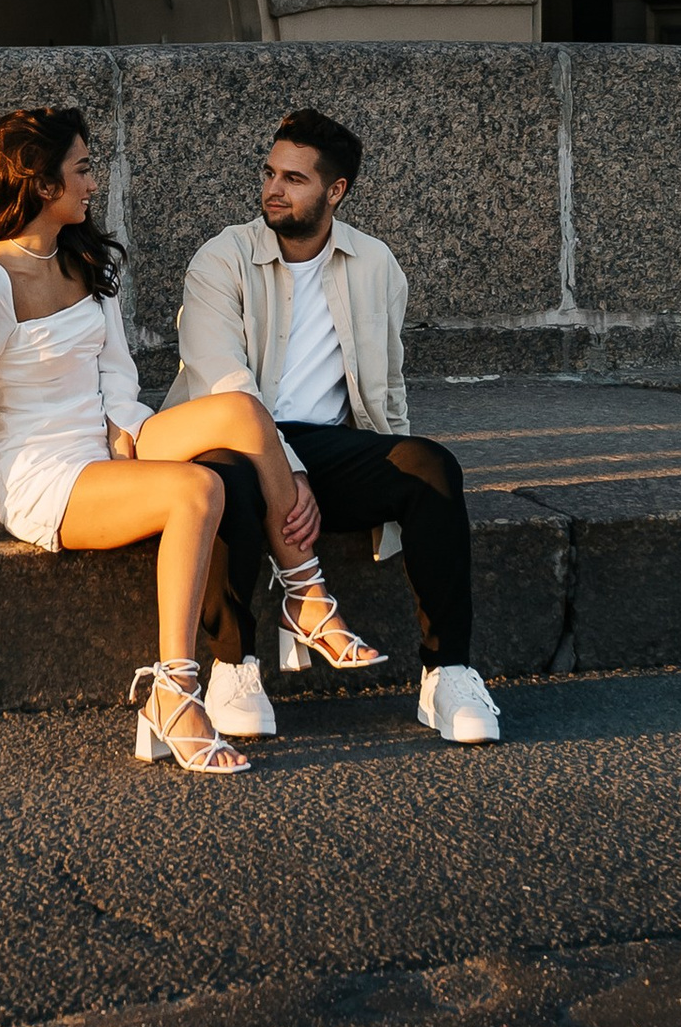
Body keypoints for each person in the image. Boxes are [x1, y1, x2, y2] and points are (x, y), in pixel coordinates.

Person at [0, 106, 361, 779]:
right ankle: (174, 691)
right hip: (43, 471)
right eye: (82, 168)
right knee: (200, 487)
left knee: (243, 412)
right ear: (42, 183)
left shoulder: (84, 257)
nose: (93, 180)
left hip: (107, 436)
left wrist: (129, 431)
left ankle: (305, 591)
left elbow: (116, 374)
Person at [174, 107, 502, 747]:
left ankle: (449, 673)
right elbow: (223, 381)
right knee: (227, 481)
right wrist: (285, 470)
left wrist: (388, 462)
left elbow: (388, 383)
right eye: (270, 172)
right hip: (234, 438)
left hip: (327, 444)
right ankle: (233, 668)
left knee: (430, 467)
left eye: (294, 179)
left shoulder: (376, 264)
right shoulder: (223, 258)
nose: (273, 188)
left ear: (336, 191)